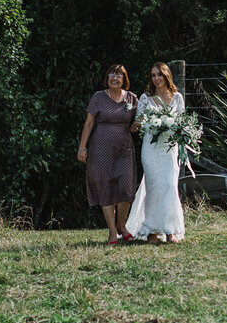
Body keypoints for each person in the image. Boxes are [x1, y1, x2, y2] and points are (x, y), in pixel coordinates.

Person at [77, 64, 139, 245]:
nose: (115, 77)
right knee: (104, 186)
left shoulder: (131, 98)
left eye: (119, 75)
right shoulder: (98, 97)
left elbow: (142, 117)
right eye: (112, 74)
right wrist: (82, 147)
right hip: (100, 148)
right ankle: (112, 232)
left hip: (124, 149)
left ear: (124, 79)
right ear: (107, 77)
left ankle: (122, 225)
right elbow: (88, 123)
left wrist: (140, 124)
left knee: (126, 188)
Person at [125, 62, 186, 244]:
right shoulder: (146, 97)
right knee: (153, 187)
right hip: (151, 148)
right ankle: (152, 230)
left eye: (160, 75)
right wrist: (138, 125)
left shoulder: (177, 98)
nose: (156, 78)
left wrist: (172, 127)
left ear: (167, 76)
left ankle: (170, 230)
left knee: (168, 186)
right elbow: (139, 122)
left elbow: (181, 123)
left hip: (169, 148)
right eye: (153, 75)